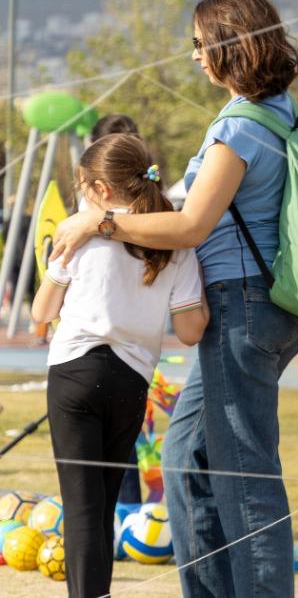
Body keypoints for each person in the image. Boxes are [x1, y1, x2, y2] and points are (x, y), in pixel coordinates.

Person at [52, 0, 298, 597]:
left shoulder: (240, 127)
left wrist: (101, 220)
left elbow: (192, 224)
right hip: (258, 307)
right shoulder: (279, 111)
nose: (194, 55)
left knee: (244, 478)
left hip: (243, 306)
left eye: (200, 43)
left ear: (228, 44)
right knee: (186, 458)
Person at [33, 133, 209, 598]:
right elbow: (191, 330)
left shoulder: (77, 230)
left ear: (101, 189)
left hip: (74, 372)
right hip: (131, 380)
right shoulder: (175, 239)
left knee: (82, 506)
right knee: (105, 502)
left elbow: (41, 311)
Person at [85, 111, 152, 511]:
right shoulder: (160, 218)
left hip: (105, 350)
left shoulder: (89, 222)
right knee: (121, 440)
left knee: (112, 442)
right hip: (134, 351)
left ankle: (119, 518)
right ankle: (122, 517)